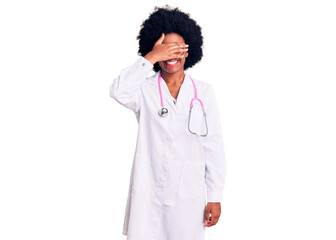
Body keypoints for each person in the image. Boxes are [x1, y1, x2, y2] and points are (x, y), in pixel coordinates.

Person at [110, 5, 227, 240]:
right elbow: (118, 91)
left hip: (188, 196)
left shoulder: (203, 93)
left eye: (177, 48)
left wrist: (215, 195)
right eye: (164, 49)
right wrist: (151, 57)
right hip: (149, 191)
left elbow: (213, 146)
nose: (170, 55)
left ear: (188, 50)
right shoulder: (144, 90)